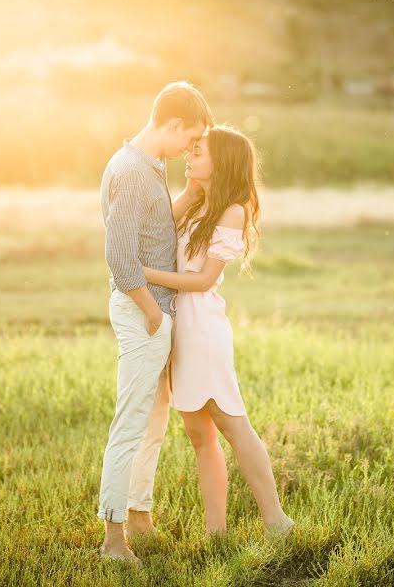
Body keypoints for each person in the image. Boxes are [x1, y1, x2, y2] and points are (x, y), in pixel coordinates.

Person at [142, 125, 294, 539]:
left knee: (232, 424)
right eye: (190, 152)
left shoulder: (233, 210)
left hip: (203, 328)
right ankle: (216, 532)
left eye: (199, 153)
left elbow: (204, 279)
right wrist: (190, 192)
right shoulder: (196, 206)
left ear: (222, 162)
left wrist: (143, 275)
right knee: (198, 434)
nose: (189, 158)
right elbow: (157, 229)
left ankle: (276, 520)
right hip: (180, 328)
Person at [98, 81, 213, 565]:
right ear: (171, 124)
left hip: (155, 311)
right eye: (190, 138)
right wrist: (151, 312)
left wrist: (189, 195)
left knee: (154, 422)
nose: (191, 147)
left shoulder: (151, 164)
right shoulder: (130, 170)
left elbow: (154, 226)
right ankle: (113, 540)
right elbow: (120, 256)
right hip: (143, 311)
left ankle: (140, 517)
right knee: (131, 424)